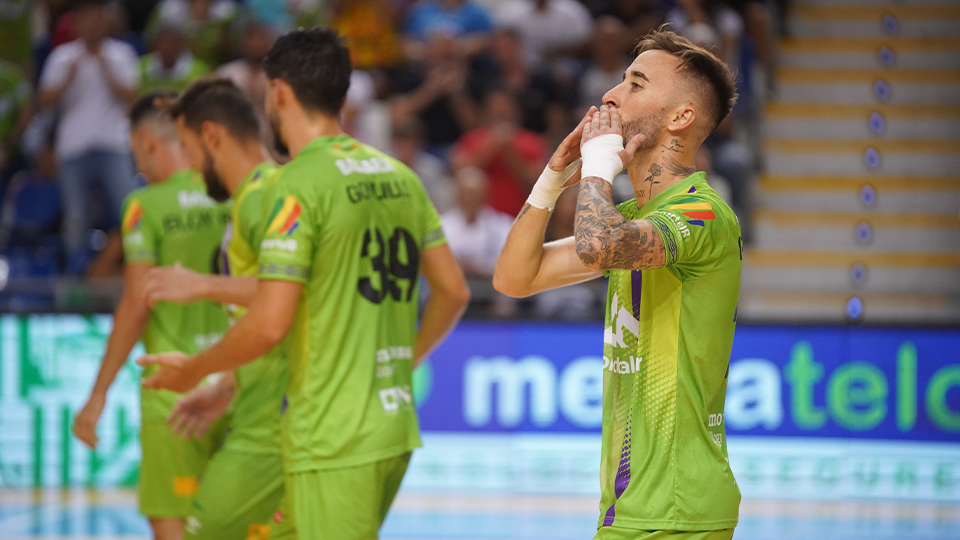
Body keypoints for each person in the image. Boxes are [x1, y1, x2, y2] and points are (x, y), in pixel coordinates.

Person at [137, 28, 471, 539]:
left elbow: (271, 323)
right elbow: (453, 292)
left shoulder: (295, 184)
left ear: (278, 92)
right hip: (393, 426)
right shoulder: (400, 175)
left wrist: (197, 371)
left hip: (330, 434)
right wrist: (405, 361)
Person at [493, 29, 742, 540]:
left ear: (680, 117)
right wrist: (552, 178)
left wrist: (600, 168)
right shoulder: (634, 218)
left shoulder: (700, 213)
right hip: (633, 508)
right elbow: (514, 278)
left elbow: (600, 246)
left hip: (675, 509)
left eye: (636, 84)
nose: (610, 95)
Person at [72, 91, 230, 540]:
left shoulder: (146, 205)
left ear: (148, 140)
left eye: (134, 147)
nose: (136, 160)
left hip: (173, 391)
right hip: (237, 381)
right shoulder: (234, 194)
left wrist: (99, 392)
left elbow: (136, 303)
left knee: (170, 518)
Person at [139, 77, 292, 540]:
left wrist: (201, 286)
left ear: (211, 137)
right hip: (260, 405)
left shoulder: (266, 195)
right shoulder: (257, 195)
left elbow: (293, 293)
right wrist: (226, 383)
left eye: (187, 147)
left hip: (274, 424)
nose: (187, 162)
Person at [37, 0, 139, 275]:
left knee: (127, 210)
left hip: (114, 144)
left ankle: (136, 265)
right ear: (78, 25)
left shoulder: (121, 54)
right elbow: (43, 102)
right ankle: (76, 276)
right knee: (75, 218)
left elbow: (133, 98)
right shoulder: (62, 56)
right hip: (73, 146)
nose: (92, 25)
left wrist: (108, 72)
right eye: (87, 20)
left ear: (105, 23)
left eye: (97, 19)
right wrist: (67, 80)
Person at [451, 88, 549, 216]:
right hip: (481, 221)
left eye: (505, 107)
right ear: (486, 111)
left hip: (522, 216)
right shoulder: (471, 140)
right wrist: (491, 146)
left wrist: (510, 152)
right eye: (495, 107)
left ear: (516, 110)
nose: (500, 111)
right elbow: (459, 172)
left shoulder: (534, 142)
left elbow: (538, 182)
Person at [441, 167, 512, 279]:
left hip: (491, 288)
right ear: (458, 195)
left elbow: (509, 266)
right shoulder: (443, 225)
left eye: (475, 195)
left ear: (486, 195)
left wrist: (478, 269)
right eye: (466, 195)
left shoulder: (503, 225)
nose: (470, 200)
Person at [139, 24, 210, 95]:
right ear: (155, 44)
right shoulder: (142, 65)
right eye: (163, 43)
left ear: (181, 44)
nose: (166, 48)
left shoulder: (199, 70)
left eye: (172, 43)